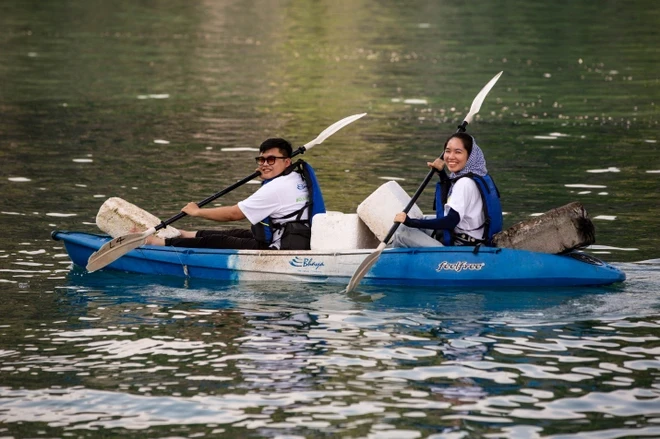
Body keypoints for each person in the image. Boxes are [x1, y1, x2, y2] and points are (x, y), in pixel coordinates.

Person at [145, 138, 325, 250]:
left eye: (271, 160)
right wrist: (267, 176)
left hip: (279, 245)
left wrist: (197, 212)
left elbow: (233, 214)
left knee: (219, 240)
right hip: (297, 235)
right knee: (238, 233)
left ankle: (159, 244)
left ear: (287, 162)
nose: (264, 164)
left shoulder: (275, 188)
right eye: (261, 159)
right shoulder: (297, 175)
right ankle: (185, 234)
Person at [391, 132, 503, 247]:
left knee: (402, 233)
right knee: (418, 221)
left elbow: (451, 221)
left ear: (469, 156)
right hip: (473, 237)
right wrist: (442, 174)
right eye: (448, 151)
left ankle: (392, 262)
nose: (451, 157)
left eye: (458, 152)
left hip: (462, 245)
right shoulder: (476, 175)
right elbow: (454, 197)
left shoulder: (464, 183)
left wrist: (411, 222)